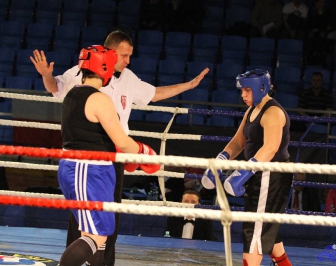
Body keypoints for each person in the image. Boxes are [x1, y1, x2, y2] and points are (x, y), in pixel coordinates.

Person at [30, 30, 209, 266]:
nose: (126, 61)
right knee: (92, 231)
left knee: (103, 228)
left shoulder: (112, 81)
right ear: (107, 58)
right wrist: (144, 152)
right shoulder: (85, 86)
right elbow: (55, 89)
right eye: (123, 56)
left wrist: (188, 85)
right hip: (91, 163)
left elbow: (153, 94)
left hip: (98, 162)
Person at [57, 45, 160, 265]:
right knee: (96, 235)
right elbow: (122, 141)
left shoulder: (72, 93)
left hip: (82, 168)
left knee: (94, 233)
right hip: (87, 169)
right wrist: (144, 153)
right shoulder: (99, 99)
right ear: (103, 67)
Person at [201, 69, 293, 266]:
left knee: (255, 230)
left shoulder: (273, 113)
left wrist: (243, 173)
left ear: (261, 88)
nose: (243, 95)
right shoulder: (252, 110)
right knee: (265, 228)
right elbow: (238, 141)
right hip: (258, 173)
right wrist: (221, 160)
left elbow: (270, 147)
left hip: (271, 175)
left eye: (246, 90)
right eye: (241, 90)